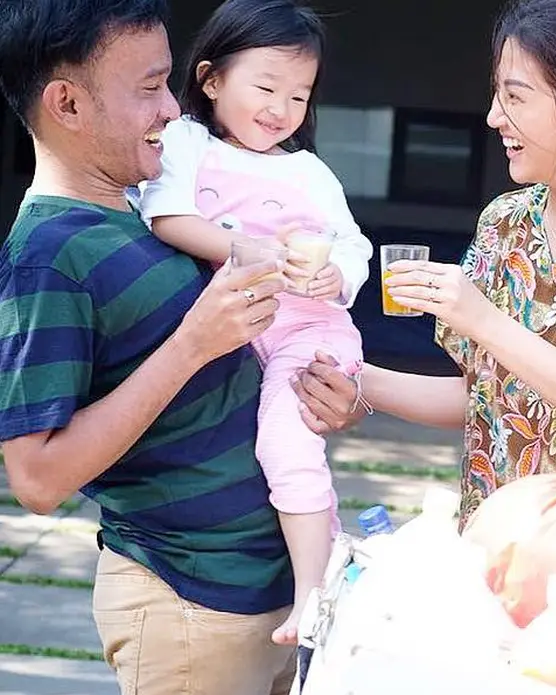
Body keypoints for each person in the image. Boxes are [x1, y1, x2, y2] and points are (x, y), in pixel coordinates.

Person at [293, 0, 556, 526]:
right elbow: (486, 397)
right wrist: (360, 383)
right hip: (503, 549)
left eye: (515, 97)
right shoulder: (505, 223)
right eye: (498, 94)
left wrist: (483, 320)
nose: (494, 117)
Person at [0, 0, 302, 695]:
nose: (172, 109)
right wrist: (193, 343)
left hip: (268, 595)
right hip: (189, 607)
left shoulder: (140, 218)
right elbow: (38, 480)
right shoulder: (48, 255)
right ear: (67, 103)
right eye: (148, 88)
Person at [136, 0, 372, 647]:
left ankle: (312, 596)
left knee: (285, 444)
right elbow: (166, 216)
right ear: (211, 79)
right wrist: (243, 248)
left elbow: (354, 246)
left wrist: (339, 277)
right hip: (240, 328)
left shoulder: (309, 172)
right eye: (265, 86)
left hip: (305, 331)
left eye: (298, 95)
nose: (281, 108)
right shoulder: (185, 140)